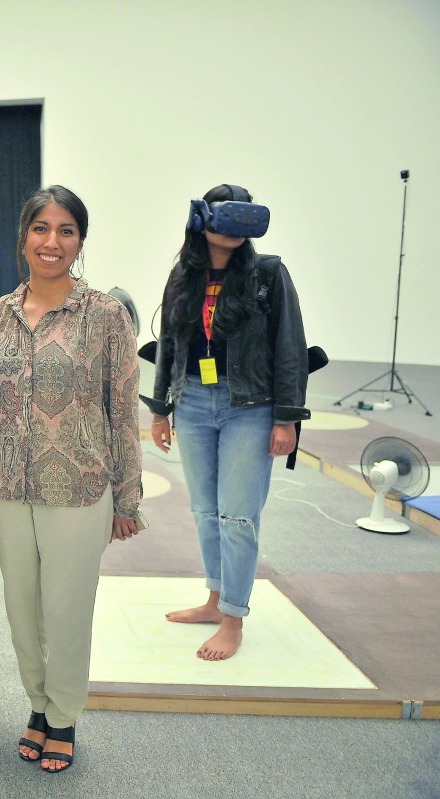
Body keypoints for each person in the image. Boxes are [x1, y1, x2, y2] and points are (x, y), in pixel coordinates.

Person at [0, 185, 143, 774]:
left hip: (78, 486)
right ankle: (36, 703)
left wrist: (127, 497)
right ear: (23, 235)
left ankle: (65, 716)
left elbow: (124, 409)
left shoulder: (105, 315)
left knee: (68, 609)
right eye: (41, 229)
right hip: (6, 486)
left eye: (66, 231)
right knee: (22, 610)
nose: (52, 242)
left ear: (80, 240)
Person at [147, 183, 309, 661]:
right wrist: (161, 409)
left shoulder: (268, 274)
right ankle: (216, 600)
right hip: (193, 400)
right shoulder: (183, 274)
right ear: (203, 220)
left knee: (238, 515)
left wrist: (286, 419)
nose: (236, 230)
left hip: (251, 408)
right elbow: (168, 346)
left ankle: (234, 618)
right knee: (204, 511)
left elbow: (290, 347)